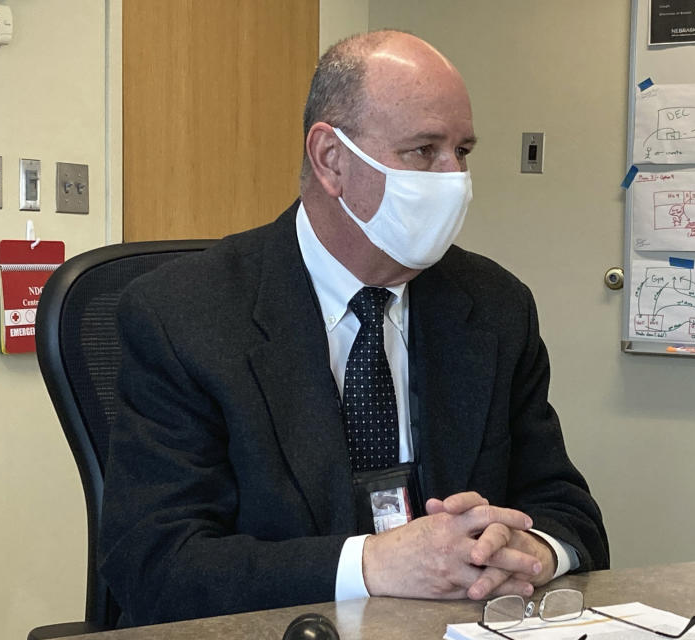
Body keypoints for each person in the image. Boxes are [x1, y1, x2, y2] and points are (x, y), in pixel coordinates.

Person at [99, 29, 609, 627]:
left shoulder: (495, 307)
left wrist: (529, 550)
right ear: (331, 159)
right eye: (423, 150)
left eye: (463, 151)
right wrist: (370, 564)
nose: (453, 177)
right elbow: (156, 566)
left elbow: (569, 513)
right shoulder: (183, 314)